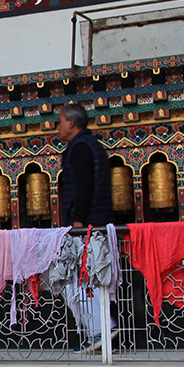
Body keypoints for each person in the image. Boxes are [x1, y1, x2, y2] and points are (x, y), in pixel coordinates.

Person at [56, 104, 117, 353]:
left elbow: (83, 186)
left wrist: (78, 221)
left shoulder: (80, 148)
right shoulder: (91, 146)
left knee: (76, 277)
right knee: (85, 276)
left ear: (71, 122)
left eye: (60, 121)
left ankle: (101, 329)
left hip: (86, 223)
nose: (57, 127)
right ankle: (99, 330)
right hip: (95, 220)